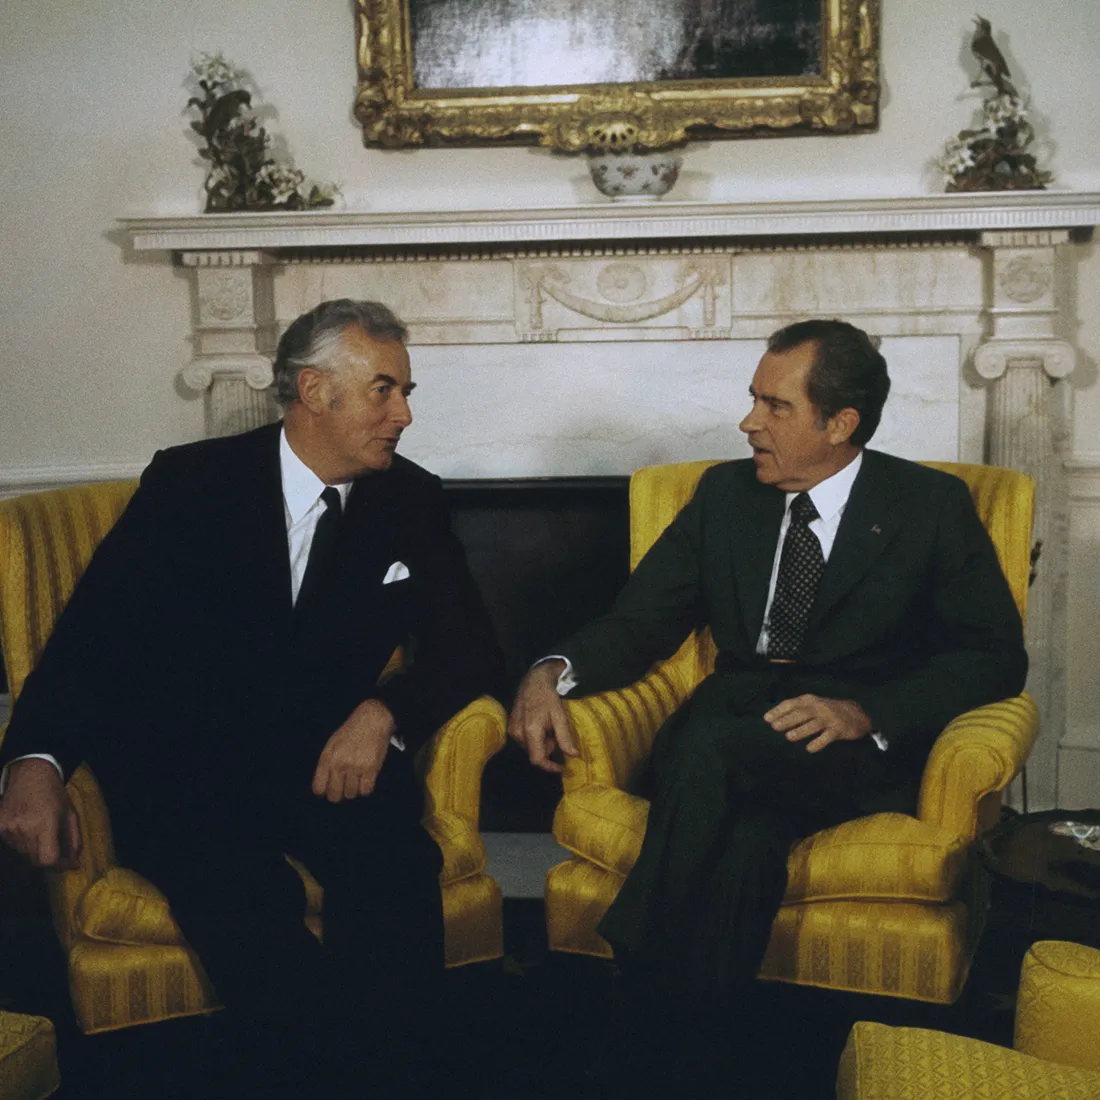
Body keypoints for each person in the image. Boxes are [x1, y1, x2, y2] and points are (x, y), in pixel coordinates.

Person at [0, 299, 505, 1099]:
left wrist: (383, 714)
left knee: (398, 862)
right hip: (187, 768)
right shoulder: (192, 483)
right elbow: (91, 640)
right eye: (384, 390)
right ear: (314, 390)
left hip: (321, 760)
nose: (404, 414)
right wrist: (35, 761)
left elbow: (471, 646)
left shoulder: (409, 497)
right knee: (251, 903)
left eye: (407, 392)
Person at [508, 318, 1028, 1092]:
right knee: (746, 838)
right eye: (753, 400)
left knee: (707, 746)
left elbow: (993, 655)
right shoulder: (724, 495)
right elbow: (642, 618)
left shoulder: (928, 505)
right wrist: (551, 669)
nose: (749, 421)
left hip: (847, 745)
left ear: (840, 423)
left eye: (773, 406)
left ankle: (634, 983)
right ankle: (690, 1060)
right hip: (735, 730)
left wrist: (870, 713)